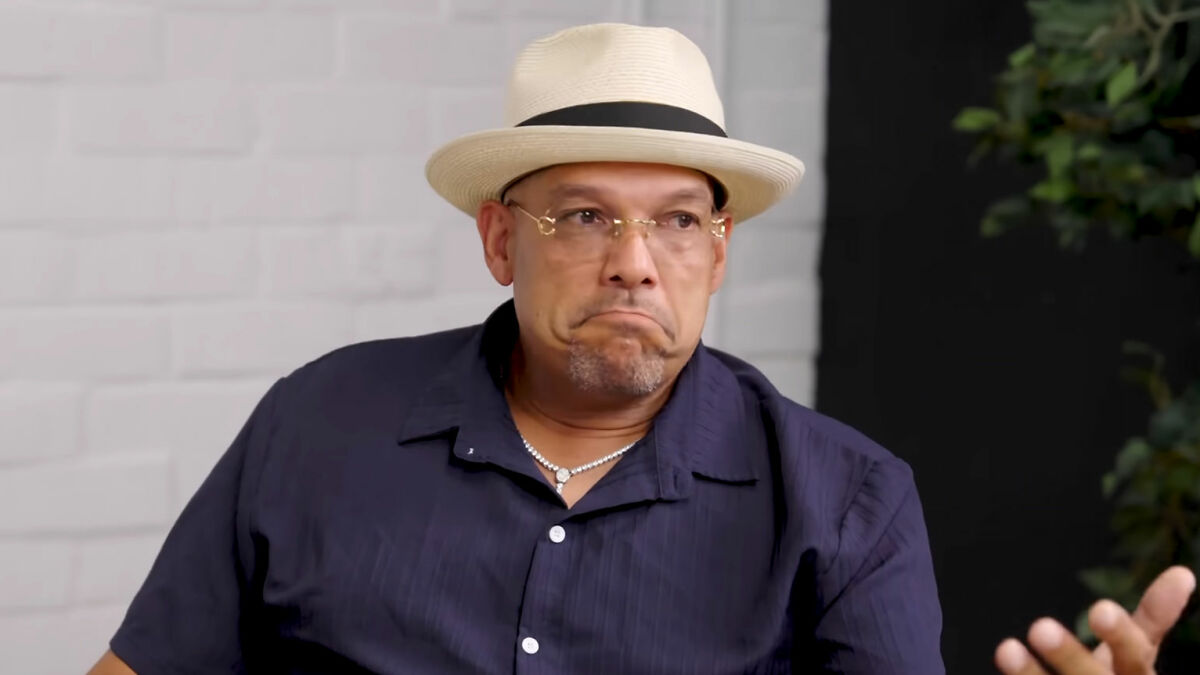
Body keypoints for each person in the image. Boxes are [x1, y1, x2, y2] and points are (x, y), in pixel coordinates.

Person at [86, 22, 1192, 675]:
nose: (634, 262)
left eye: (675, 220)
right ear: (498, 238)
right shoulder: (319, 424)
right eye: (582, 215)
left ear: (718, 253)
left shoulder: (847, 502)